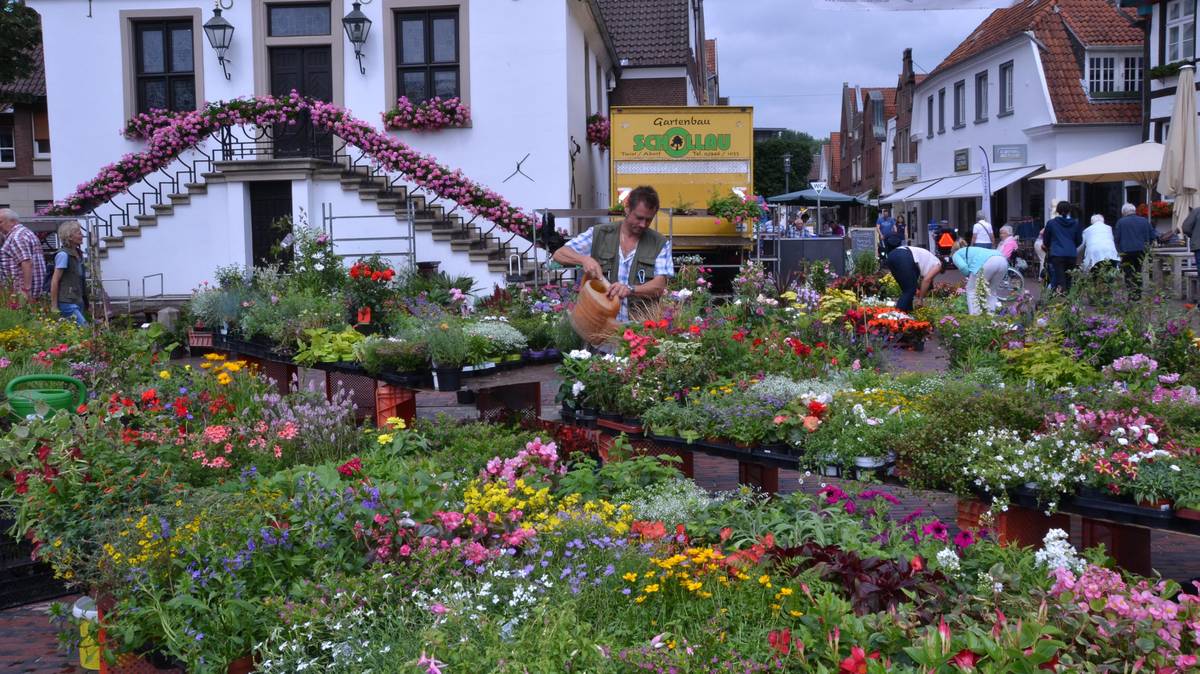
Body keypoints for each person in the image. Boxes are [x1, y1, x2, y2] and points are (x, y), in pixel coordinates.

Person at [552, 185, 673, 322]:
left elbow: (659, 286)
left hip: (639, 330)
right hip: (600, 325)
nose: (643, 224)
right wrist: (584, 259)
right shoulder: (600, 233)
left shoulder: (660, 243)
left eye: (648, 219)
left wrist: (631, 289)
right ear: (627, 209)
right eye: (639, 218)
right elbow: (559, 254)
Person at [884, 234, 942, 312]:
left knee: (907, 291)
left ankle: (908, 314)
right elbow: (926, 280)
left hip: (892, 256)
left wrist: (919, 289)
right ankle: (897, 317)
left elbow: (923, 280)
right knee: (910, 290)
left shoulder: (927, 261)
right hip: (904, 257)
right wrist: (920, 299)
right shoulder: (938, 264)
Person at [0, 208, 47, 300]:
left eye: (0, 222)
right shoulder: (26, 233)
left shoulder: (16, 237)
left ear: (12, 221)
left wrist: (26, 290)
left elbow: (26, 262)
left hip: (20, 294)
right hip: (35, 291)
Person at [951, 241, 1007, 315]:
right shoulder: (973, 249)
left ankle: (975, 317)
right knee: (991, 291)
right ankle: (991, 316)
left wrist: (969, 275)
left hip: (987, 262)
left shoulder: (956, 254)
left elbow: (963, 267)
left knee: (971, 290)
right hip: (1002, 260)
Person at [48, 219, 87, 325]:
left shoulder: (78, 253)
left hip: (78, 299)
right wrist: (54, 306)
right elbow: (55, 281)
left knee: (77, 333)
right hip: (66, 301)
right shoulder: (63, 255)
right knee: (84, 328)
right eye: (79, 233)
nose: (82, 235)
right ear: (69, 236)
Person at [1113, 203, 1155, 297]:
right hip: (1141, 250)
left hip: (1126, 251)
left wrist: (1119, 251)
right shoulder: (1144, 220)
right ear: (1134, 211)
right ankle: (1138, 293)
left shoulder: (1121, 222)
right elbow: (1152, 235)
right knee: (1138, 270)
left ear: (1124, 212)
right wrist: (1147, 245)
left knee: (1128, 272)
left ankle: (1131, 293)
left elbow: (1116, 239)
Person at [1042, 201, 1082, 293]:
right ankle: (1068, 300)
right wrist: (1071, 246)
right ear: (1069, 210)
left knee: (1059, 277)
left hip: (1057, 253)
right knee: (1069, 278)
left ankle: (1054, 298)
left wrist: (1049, 247)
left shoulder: (1051, 223)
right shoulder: (1075, 223)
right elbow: (1079, 240)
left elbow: (1046, 240)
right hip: (1071, 254)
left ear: (1057, 210)